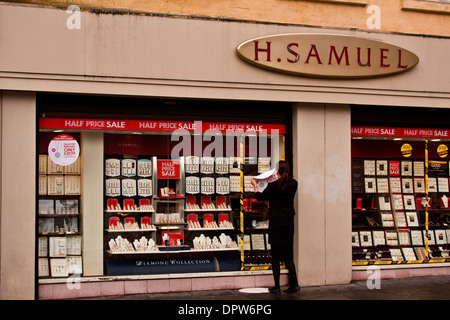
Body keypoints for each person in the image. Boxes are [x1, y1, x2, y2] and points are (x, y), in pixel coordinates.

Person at [251, 160, 300, 294]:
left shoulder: (273, 186)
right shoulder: (294, 184)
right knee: (289, 256)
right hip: (288, 222)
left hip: (276, 222)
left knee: (276, 257)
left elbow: (259, 196)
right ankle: (294, 284)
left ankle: (277, 286)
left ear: (276, 171)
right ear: (288, 170)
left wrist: (255, 185)